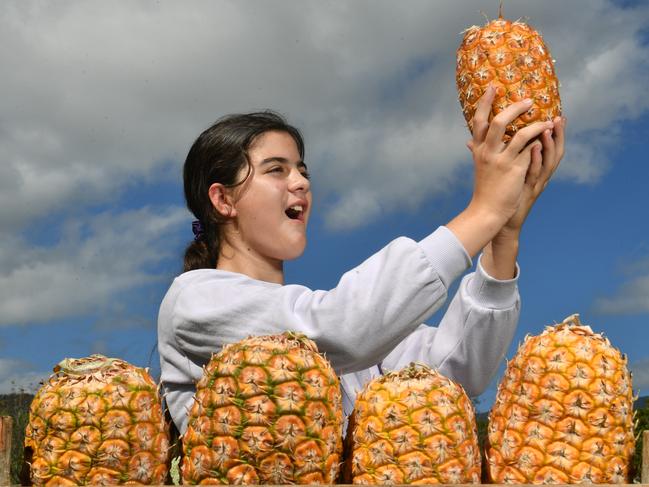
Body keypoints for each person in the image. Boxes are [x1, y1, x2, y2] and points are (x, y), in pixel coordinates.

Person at [158, 85, 566, 435]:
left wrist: (503, 234)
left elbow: (458, 371)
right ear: (223, 199)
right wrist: (484, 212)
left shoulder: (339, 339)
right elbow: (344, 327)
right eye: (276, 170)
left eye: (302, 170)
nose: (300, 182)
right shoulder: (195, 301)